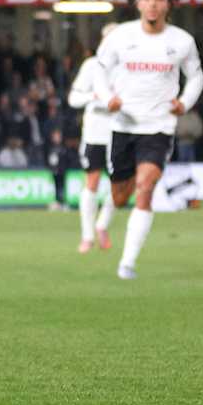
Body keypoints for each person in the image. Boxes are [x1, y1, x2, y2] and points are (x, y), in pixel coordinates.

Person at [92, 0, 203, 280]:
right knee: (120, 195)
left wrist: (184, 102)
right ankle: (105, 219)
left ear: (168, 4)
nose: (153, 3)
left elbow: (196, 77)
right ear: (137, 3)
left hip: (159, 127)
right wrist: (108, 98)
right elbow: (99, 72)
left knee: (145, 188)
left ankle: (127, 263)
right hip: (123, 125)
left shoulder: (182, 41)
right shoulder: (120, 37)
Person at [68, 23, 119, 253]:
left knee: (120, 184)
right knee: (92, 181)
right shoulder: (91, 65)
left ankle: (102, 225)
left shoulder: (128, 68)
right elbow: (73, 99)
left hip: (120, 132)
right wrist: (93, 96)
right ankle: (87, 236)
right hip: (95, 132)